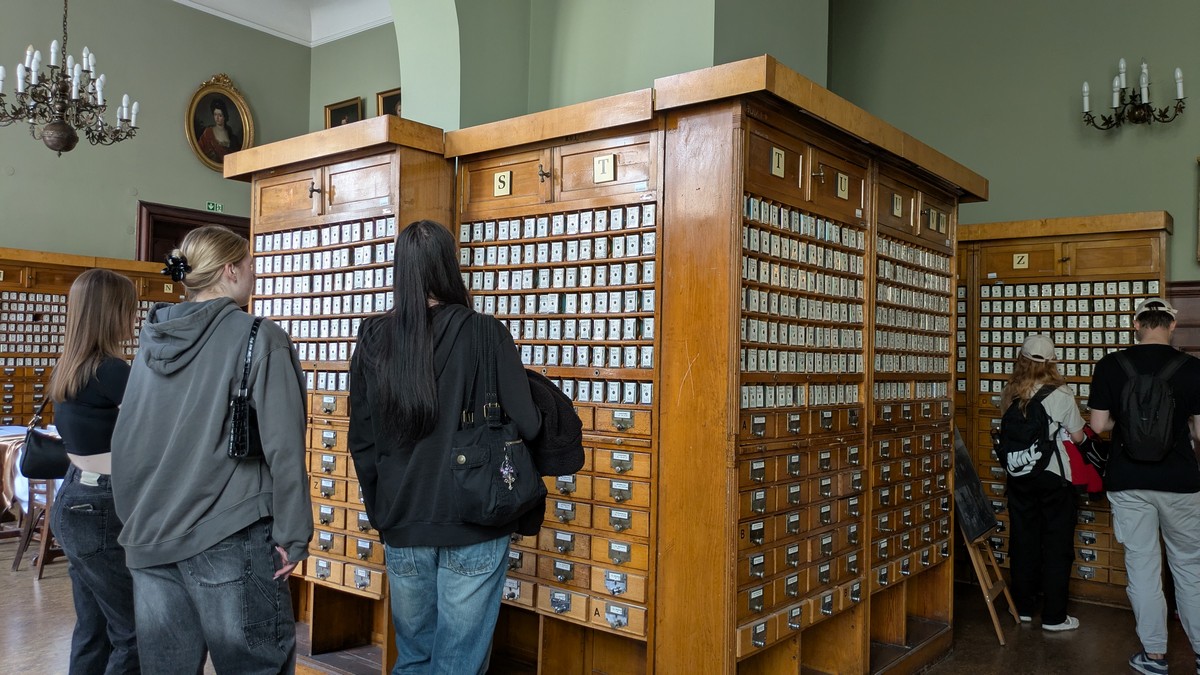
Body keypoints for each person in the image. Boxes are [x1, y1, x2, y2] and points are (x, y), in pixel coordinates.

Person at [111, 225, 311, 674]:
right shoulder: (259, 336)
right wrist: (293, 535)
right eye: (251, 264)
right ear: (230, 270)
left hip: (151, 537)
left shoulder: (152, 340)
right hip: (230, 535)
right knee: (255, 666)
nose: (255, 274)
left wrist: (137, 521)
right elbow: (284, 448)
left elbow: (127, 440)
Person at [348, 220, 541, 674]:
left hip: (402, 522)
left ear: (400, 270)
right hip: (474, 522)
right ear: (449, 267)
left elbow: (362, 440)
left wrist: (383, 514)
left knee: (413, 657)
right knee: (458, 664)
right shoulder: (486, 333)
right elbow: (530, 425)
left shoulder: (373, 336)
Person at [1088, 297, 1200, 675]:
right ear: (1172, 325)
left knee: (1142, 568)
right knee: (1189, 568)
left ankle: (1154, 656)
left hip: (1128, 480)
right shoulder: (1193, 368)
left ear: (1135, 324)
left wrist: (1127, 426)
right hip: (1181, 481)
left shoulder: (1110, 365)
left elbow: (1098, 426)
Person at [48, 268, 140, 674]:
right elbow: (158, 425)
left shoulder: (71, 365)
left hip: (74, 500)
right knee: (134, 633)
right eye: (130, 308)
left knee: (93, 629)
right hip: (100, 507)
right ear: (112, 312)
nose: (134, 317)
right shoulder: (111, 370)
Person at [999, 333, 1086, 632]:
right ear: (1052, 363)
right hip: (1053, 477)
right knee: (1057, 545)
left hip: (1019, 476)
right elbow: (1078, 436)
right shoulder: (1062, 394)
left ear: (1021, 360)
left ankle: (1022, 607)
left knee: (1023, 541)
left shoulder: (1010, 391)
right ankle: (1054, 616)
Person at [197, 98, 240, 163]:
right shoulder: (208, 132)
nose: (217, 118)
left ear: (224, 116)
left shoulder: (232, 137)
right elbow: (200, 150)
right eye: (215, 114)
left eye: (220, 115)